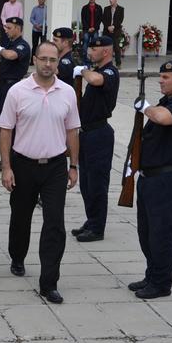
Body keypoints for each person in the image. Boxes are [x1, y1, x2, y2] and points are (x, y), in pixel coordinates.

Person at [0, 41, 80, 304]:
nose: (48, 64)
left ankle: (49, 282)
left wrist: (74, 165)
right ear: (34, 59)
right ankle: (18, 256)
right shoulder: (17, 91)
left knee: (55, 224)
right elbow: (6, 130)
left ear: (58, 61)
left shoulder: (67, 92)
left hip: (55, 166)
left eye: (53, 60)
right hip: (23, 164)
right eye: (43, 59)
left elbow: (72, 131)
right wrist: (7, 167)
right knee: (20, 217)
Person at [131, 60, 172, 299]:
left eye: (166, 77)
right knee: (146, 231)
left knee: (162, 233)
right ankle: (152, 274)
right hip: (148, 178)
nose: (160, 80)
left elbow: (162, 118)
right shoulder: (165, 102)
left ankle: (161, 282)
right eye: (160, 76)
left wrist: (145, 107)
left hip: (166, 178)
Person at [70, 36, 119, 243]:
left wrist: (82, 71)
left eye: (94, 49)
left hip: (100, 133)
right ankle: (91, 220)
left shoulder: (109, 71)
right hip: (87, 133)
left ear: (106, 51)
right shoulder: (96, 70)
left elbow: (96, 81)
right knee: (87, 183)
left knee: (98, 183)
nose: (90, 52)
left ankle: (98, 227)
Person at [0, 17, 31, 171]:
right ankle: (6, 158)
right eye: (5, 27)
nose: (5, 30)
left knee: (10, 125)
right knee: (3, 123)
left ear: (18, 28)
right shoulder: (9, 43)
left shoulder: (22, 45)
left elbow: (12, 56)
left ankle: (13, 160)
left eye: (9, 27)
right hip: (4, 87)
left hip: (14, 87)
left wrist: (1, 50)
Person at [102, 0, 124, 67]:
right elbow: (103, 19)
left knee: (116, 48)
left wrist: (113, 26)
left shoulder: (121, 9)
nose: (110, 0)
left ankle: (118, 64)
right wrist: (108, 27)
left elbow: (120, 20)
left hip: (116, 31)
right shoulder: (106, 8)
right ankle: (105, 63)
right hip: (107, 31)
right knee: (106, 48)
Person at [80, 0, 103, 65]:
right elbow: (83, 19)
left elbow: (100, 19)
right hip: (87, 30)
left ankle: (94, 61)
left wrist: (94, 27)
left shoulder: (99, 8)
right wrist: (88, 28)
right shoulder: (84, 8)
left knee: (95, 46)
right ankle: (85, 61)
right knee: (85, 44)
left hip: (95, 30)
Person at [29, 0, 47, 64]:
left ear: (44, 0)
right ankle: (32, 61)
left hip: (43, 30)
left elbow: (47, 19)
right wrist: (36, 25)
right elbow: (31, 18)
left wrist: (43, 25)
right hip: (35, 30)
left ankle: (42, 61)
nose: (40, 1)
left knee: (43, 46)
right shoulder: (35, 9)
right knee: (35, 46)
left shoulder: (47, 9)